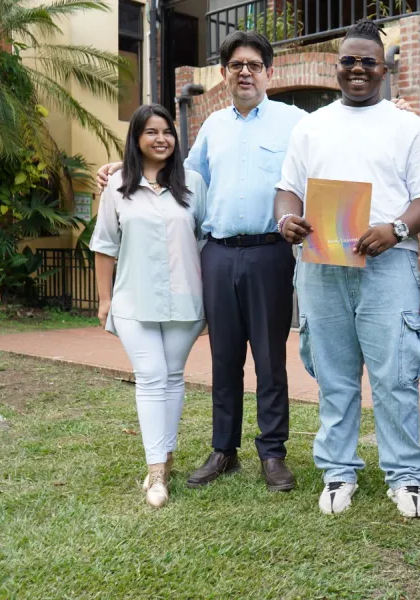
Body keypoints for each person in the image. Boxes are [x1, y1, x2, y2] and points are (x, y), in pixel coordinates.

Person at [98, 31, 305, 492]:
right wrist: (121, 166)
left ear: (269, 72)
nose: (245, 73)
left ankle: (273, 453)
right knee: (223, 358)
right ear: (224, 73)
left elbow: (328, 155)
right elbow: (180, 176)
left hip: (270, 253)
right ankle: (223, 450)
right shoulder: (212, 126)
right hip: (217, 255)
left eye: (254, 65)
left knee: (270, 360)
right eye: (236, 66)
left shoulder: (295, 123)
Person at [274, 19, 420, 517]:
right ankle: (338, 471)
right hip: (322, 265)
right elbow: (288, 189)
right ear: (337, 67)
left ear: (384, 69)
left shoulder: (408, 127)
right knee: (334, 375)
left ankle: (405, 477)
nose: (358, 68)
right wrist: (286, 220)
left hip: (388, 265)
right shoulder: (311, 126)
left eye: (368, 61)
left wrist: (397, 229)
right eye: (349, 61)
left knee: (395, 376)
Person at [90, 104, 207, 508]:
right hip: (132, 300)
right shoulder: (117, 184)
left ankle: (165, 460)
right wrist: (104, 299)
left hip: (185, 299)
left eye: (167, 131)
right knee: (152, 375)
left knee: (172, 377)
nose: (161, 139)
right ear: (136, 138)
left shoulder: (193, 182)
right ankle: (156, 471)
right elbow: (105, 244)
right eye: (151, 132)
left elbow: (205, 239)